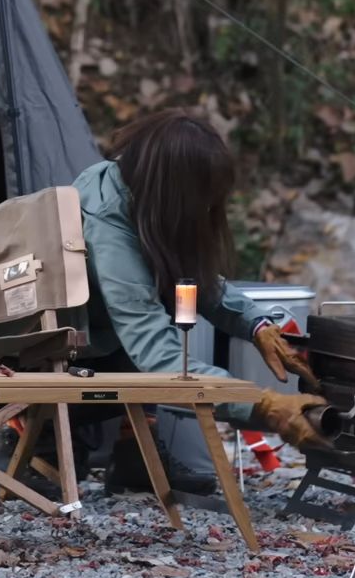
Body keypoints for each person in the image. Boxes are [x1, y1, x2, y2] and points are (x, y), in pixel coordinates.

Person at [41, 109, 327, 495]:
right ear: (175, 189)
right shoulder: (108, 223)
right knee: (162, 332)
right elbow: (153, 347)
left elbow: (198, 283)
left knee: (176, 302)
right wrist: (262, 405)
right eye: (202, 200)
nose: (208, 212)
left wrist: (259, 326)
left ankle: (134, 453)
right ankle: (24, 430)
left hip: (97, 343)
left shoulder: (141, 193)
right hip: (37, 356)